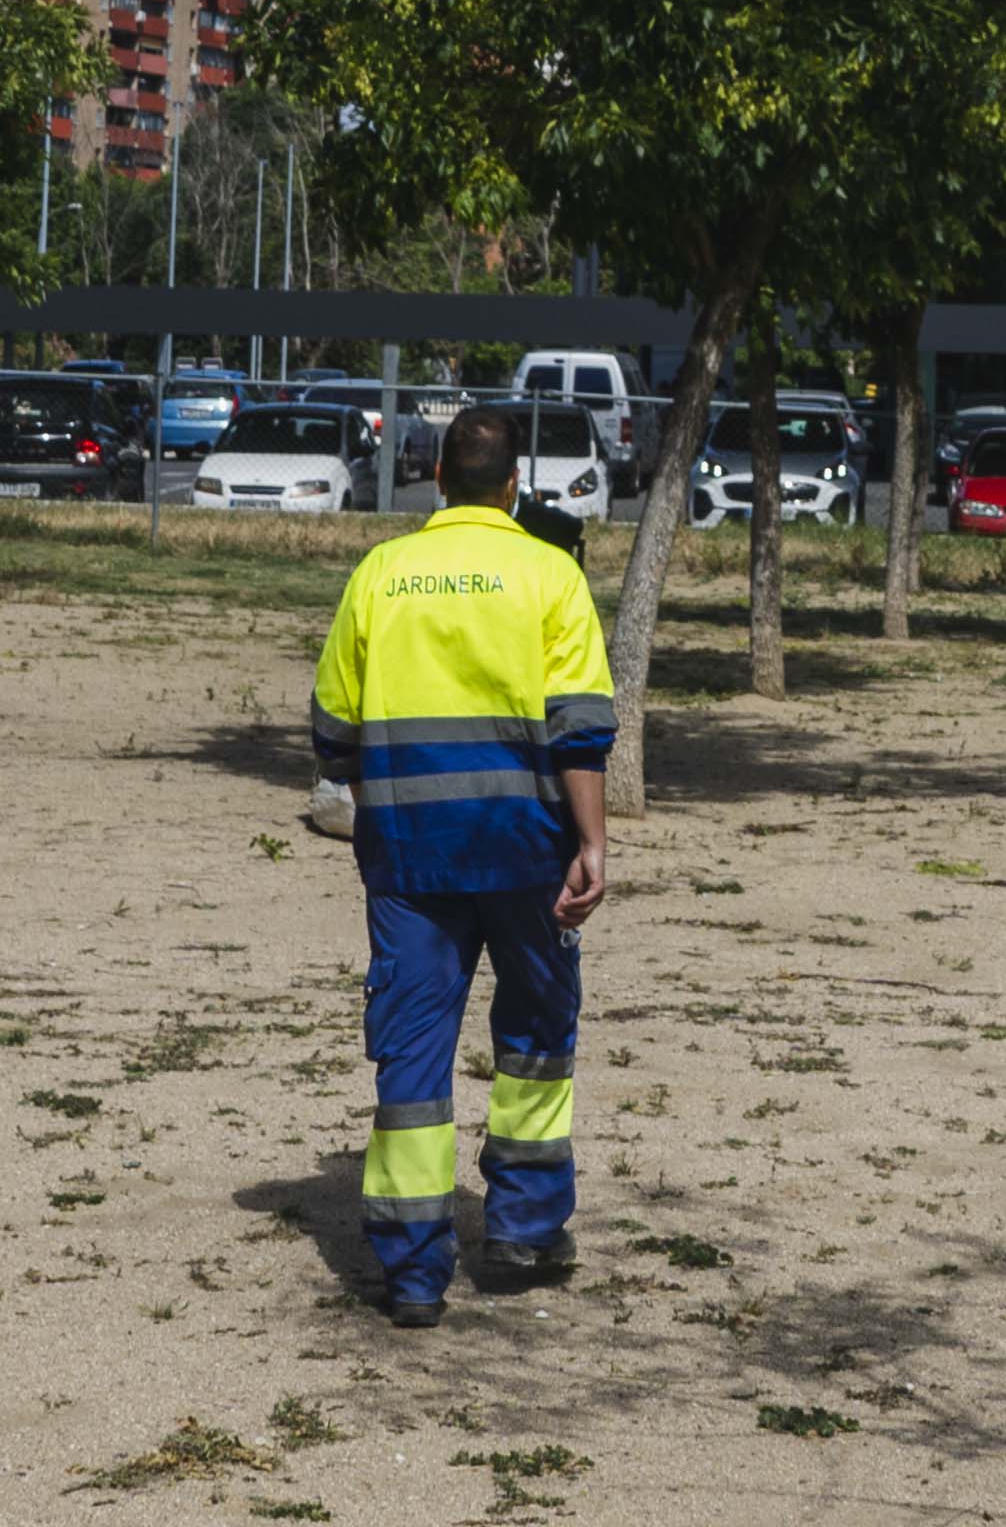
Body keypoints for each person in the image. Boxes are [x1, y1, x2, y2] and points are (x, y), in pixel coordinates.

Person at [308, 405, 614, 1325]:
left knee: (412, 1046)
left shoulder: (381, 574)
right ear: (514, 487)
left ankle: (412, 1276)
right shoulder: (551, 575)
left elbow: (332, 731)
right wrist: (592, 846)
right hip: (528, 852)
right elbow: (581, 732)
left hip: (410, 857)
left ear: (437, 479)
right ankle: (523, 1229)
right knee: (537, 1033)